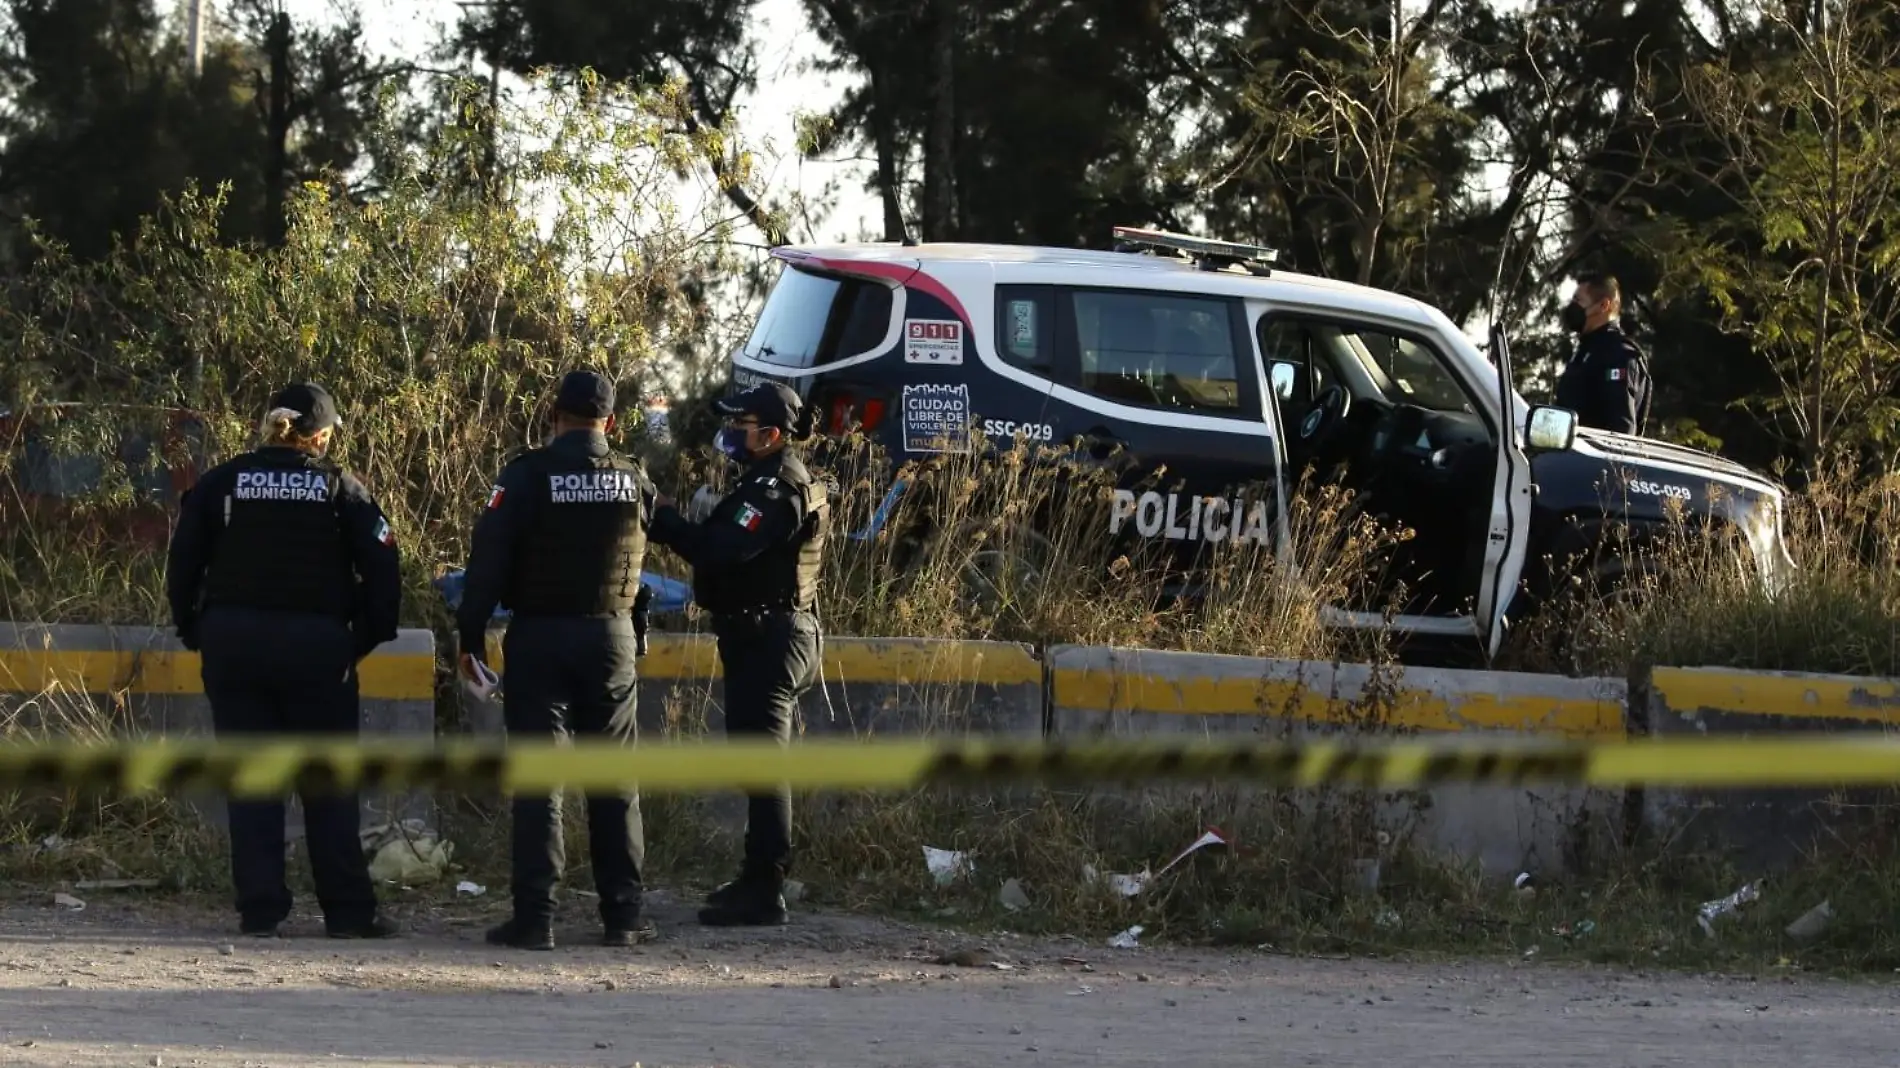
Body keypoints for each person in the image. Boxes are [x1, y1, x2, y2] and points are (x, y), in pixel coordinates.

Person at [164, 382, 402, 940]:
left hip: (235, 646)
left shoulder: (221, 483)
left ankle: (260, 911)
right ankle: (347, 913)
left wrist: (195, 630)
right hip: (318, 650)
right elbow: (385, 574)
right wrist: (358, 641)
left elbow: (182, 566)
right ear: (318, 435)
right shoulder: (340, 488)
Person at [456, 369, 661, 951]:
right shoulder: (632, 479)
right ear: (610, 423)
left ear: (553, 418)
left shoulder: (524, 477)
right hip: (611, 640)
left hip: (541, 637)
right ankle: (622, 917)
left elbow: (488, 564)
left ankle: (535, 919)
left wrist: (469, 638)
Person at [648, 382, 827, 927]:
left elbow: (719, 550)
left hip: (772, 638)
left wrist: (662, 519)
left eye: (741, 425)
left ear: (771, 435)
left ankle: (766, 888)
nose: (731, 434)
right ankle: (755, 876)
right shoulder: (763, 479)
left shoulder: (776, 487)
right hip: (760, 635)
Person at [1556, 272, 1653, 435]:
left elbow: (1621, 431)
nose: (1572, 307)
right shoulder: (1585, 352)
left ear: (1603, 305)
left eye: (1578, 301)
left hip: (1593, 459)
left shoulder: (1618, 356)